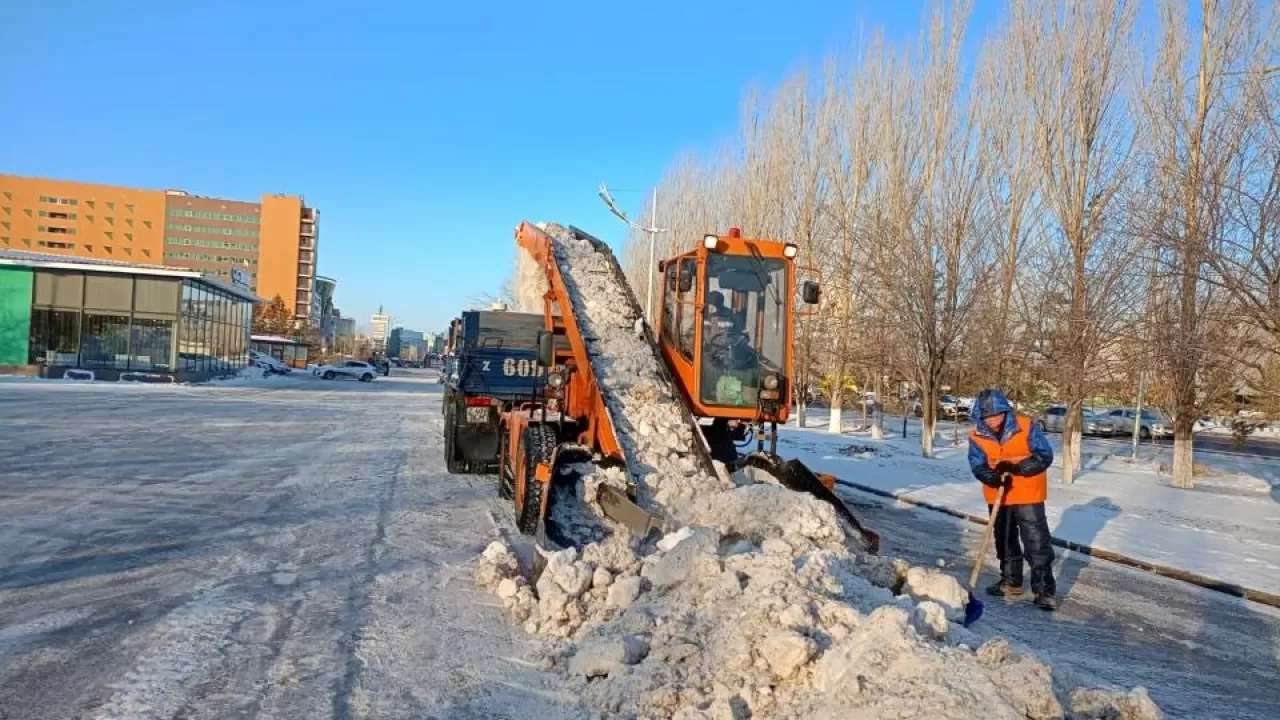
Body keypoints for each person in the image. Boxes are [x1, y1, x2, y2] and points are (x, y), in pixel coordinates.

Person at [967, 388, 1058, 610]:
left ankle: (1044, 590)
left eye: (996, 416)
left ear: (1005, 412)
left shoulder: (1025, 427)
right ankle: (1011, 582)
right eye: (987, 417)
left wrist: (1018, 468)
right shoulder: (976, 435)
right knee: (1004, 539)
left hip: (1028, 493)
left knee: (1036, 541)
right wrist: (993, 477)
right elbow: (977, 465)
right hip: (999, 494)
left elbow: (1044, 456)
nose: (993, 421)